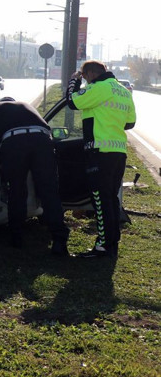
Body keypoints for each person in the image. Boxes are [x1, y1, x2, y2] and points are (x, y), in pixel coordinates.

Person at [0, 96, 70, 255]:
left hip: (14, 144)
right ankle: (59, 240)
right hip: (41, 140)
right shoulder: (26, 105)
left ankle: (17, 237)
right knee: (49, 191)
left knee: (16, 190)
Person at [66, 60, 136, 258]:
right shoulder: (123, 90)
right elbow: (130, 123)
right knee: (111, 199)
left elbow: (72, 101)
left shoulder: (99, 87)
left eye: (85, 77)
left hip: (99, 152)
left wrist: (73, 82)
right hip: (118, 152)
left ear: (90, 74)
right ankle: (112, 242)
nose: (86, 82)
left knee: (100, 200)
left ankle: (103, 245)